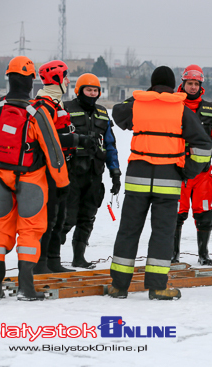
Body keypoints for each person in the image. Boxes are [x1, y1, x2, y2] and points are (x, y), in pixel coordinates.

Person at [108, 66, 212, 300]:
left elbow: (117, 112)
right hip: (168, 180)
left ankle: (118, 286)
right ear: (174, 84)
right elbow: (204, 146)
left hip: (137, 180)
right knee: (163, 233)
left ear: (152, 84)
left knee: (128, 231)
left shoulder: (137, 104)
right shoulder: (181, 109)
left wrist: (144, 96)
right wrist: (188, 171)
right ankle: (157, 287)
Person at [0, 56, 69, 301]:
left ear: (8, 78)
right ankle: (26, 289)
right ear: (31, 80)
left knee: (0, 227)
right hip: (31, 180)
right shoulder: (36, 113)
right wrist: (62, 184)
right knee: (30, 230)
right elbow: (54, 152)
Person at [34, 60, 92, 274]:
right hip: (46, 170)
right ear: (56, 80)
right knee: (48, 219)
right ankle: (40, 264)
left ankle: (53, 260)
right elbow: (48, 139)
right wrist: (78, 140)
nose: (68, 82)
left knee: (59, 218)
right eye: (65, 77)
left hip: (60, 169)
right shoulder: (43, 106)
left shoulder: (55, 104)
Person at [172, 64, 212, 266]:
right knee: (176, 214)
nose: (193, 87)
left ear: (201, 85)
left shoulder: (211, 110)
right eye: (190, 83)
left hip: (203, 173)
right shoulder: (173, 106)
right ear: (183, 84)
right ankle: (173, 254)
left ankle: (203, 254)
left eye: (196, 84)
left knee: (204, 214)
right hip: (178, 170)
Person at [61, 73, 121, 269]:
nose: (92, 93)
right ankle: (50, 256)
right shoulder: (65, 109)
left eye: (95, 90)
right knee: (66, 217)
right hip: (70, 173)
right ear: (79, 91)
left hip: (95, 174)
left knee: (87, 217)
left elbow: (110, 145)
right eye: (88, 90)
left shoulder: (103, 113)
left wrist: (115, 172)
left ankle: (79, 257)